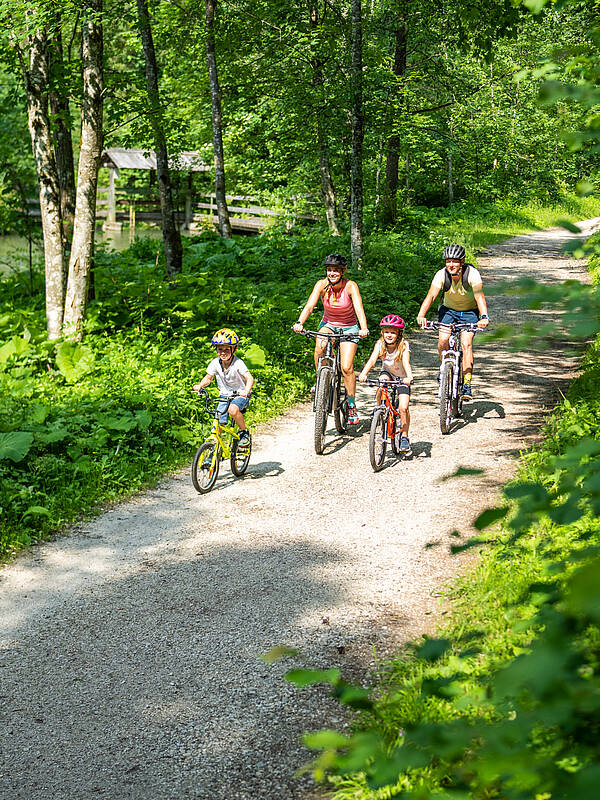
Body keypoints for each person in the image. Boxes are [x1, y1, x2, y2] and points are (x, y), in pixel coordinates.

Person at [293, 253, 369, 424]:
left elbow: (358, 308)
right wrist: (300, 322)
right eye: (329, 270)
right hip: (329, 324)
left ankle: (351, 405)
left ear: (342, 271)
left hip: (349, 327)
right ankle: (320, 379)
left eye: (335, 270)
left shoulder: (350, 286)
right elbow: (310, 305)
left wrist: (363, 328)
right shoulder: (321, 285)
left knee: (347, 367)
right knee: (320, 346)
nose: (332, 273)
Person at [416, 243, 489, 399]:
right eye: (448, 261)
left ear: (462, 262)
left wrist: (484, 317)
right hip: (448, 311)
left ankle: (467, 384)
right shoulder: (441, 274)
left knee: (466, 344)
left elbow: (479, 297)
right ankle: (444, 367)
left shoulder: (472, 274)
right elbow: (431, 296)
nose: (451, 265)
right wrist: (421, 315)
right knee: (443, 339)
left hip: (470, 312)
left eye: (454, 261)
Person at [358, 315, 413, 452]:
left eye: (393, 332)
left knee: (403, 407)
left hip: (402, 377)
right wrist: (363, 373)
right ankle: (379, 408)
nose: (389, 335)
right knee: (381, 382)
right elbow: (372, 361)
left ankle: (404, 436)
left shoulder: (403, 345)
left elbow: (406, 362)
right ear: (382, 332)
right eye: (386, 332)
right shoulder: (380, 344)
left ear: (399, 334)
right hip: (388, 373)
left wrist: (409, 377)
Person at [192, 328, 254, 446]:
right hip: (224, 396)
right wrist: (200, 385)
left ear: (234, 349)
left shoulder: (238, 363)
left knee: (232, 410)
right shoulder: (215, 363)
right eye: (220, 349)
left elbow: (250, 378)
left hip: (240, 395)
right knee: (218, 419)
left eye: (227, 349)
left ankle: (243, 432)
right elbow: (208, 378)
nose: (223, 352)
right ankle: (215, 447)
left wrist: (246, 391)